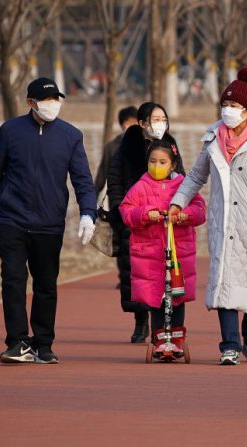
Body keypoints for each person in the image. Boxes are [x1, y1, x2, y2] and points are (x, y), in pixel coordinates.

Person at [0, 77, 97, 364]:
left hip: (49, 222)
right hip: (12, 219)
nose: (52, 105)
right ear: (30, 102)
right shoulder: (10, 131)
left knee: (46, 284)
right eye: (46, 100)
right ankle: (16, 342)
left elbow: (82, 180)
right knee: (13, 280)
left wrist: (88, 214)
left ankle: (43, 344)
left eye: (56, 99)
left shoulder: (71, 136)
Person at [169, 66, 247, 366]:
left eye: (234, 106)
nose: (228, 111)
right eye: (226, 105)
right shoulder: (212, 139)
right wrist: (178, 202)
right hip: (224, 226)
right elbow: (195, 176)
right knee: (224, 285)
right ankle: (229, 345)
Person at [107, 102, 185, 343]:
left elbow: (181, 177)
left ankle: (161, 325)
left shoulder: (170, 144)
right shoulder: (126, 146)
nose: (160, 123)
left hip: (164, 222)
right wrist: (122, 212)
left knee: (165, 275)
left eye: (163, 118)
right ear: (142, 122)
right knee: (136, 273)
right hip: (135, 219)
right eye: (155, 119)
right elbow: (114, 179)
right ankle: (141, 321)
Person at [119, 140, 206, 358]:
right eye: (152, 161)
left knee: (176, 295)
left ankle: (176, 340)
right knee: (156, 296)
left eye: (162, 162)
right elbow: (126, 210)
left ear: (173, 164)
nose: (156, 165)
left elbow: (200, 209)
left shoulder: (184, 186)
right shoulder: (141, 186)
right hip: (150, 253)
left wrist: (187, 215)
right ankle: (159, 340)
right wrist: (146, 214)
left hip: (178, 251)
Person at [95, 106, 138, 194]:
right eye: (129, 123)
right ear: (122, 125)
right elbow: (101, 178)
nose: (133, 126)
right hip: (118, 199)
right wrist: (90, 203)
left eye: (135, 123)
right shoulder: (111, 147)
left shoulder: (146, 145)